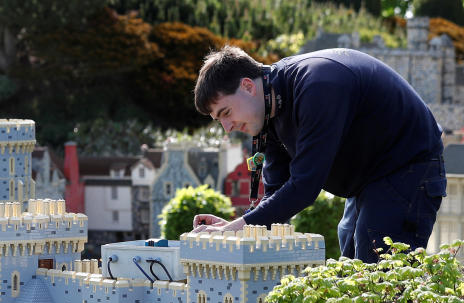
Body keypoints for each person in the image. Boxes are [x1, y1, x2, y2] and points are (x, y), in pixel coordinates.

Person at [191, 46, 445, 262]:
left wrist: (235, 229)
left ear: (248, 86)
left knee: (377, 277)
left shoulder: (316, 85)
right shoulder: (269, 110)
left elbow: (304, 185)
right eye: (218, 120)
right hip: (370, 180)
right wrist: (236, 228)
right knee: (351, 266)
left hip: (407, 168)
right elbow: (276, 194)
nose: (227, 128)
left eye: (225, 113)